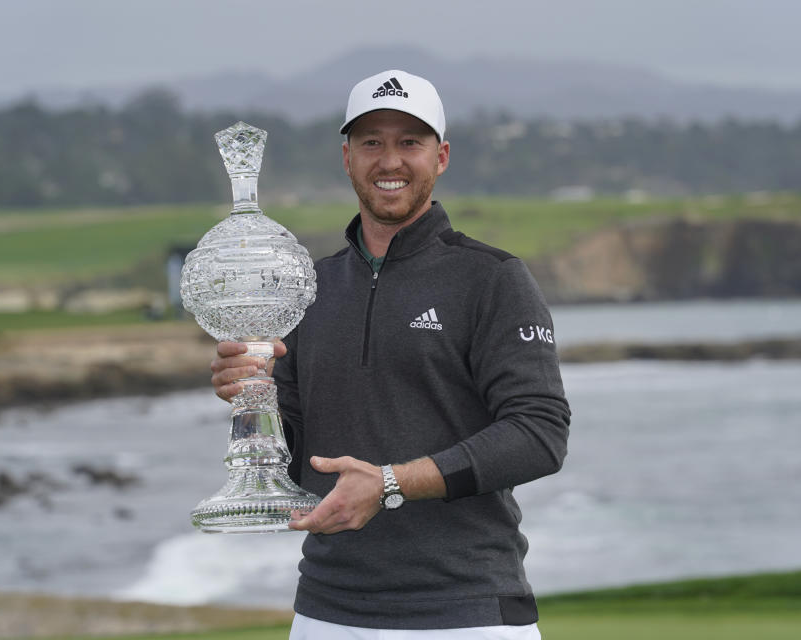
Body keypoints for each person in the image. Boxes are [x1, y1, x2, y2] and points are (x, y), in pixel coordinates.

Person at [210, 69, 570, 639]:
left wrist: (392, 482)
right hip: (327, 612)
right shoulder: (307, 287)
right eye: (372, 142)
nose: (390, 160)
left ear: (442, 156)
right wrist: (254, 399)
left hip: (466, 613)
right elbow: (298, 454)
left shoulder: (493, 278)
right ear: (347, 157)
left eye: (410, 142)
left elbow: (539, 434)